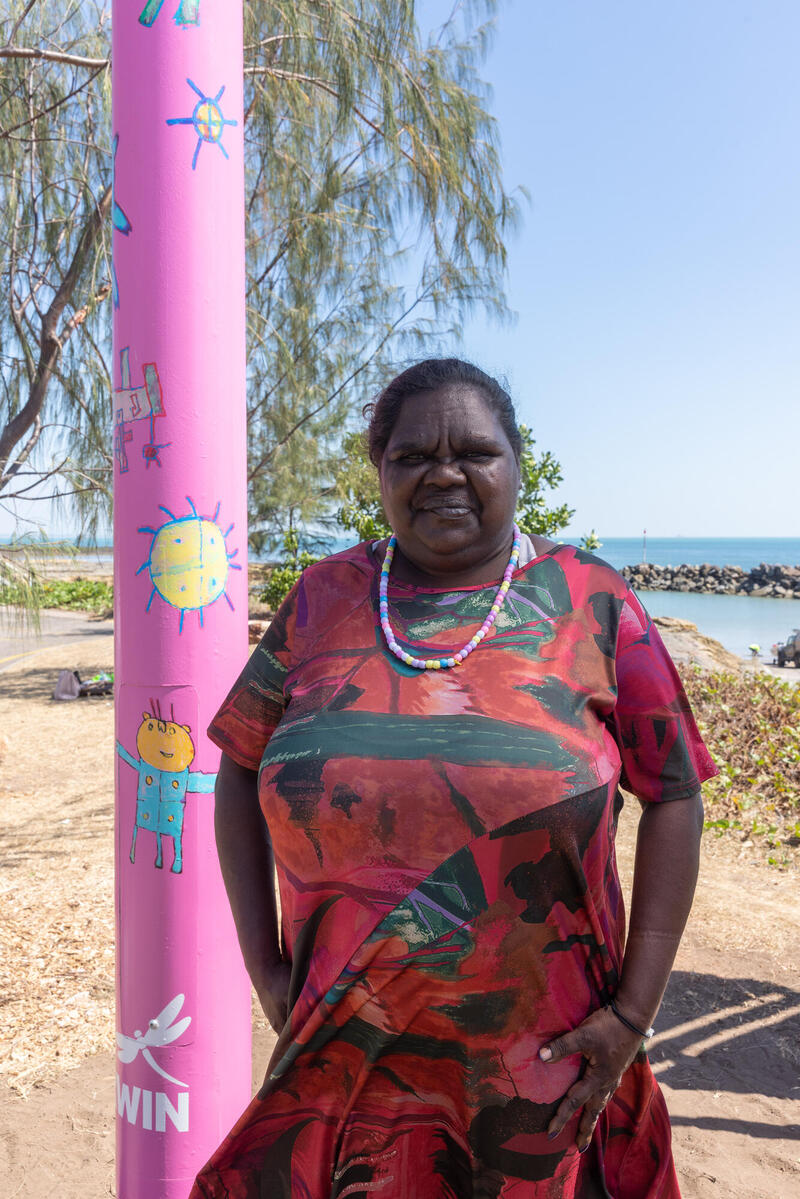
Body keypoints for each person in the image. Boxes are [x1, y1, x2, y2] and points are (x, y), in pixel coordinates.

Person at [191, 358, 716, 1199]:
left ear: (514, 462)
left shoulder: (592, 600)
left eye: (474, 450)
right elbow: (238, 763)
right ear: (381, 473)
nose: (443, 472)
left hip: (546, 1074)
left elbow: (677, 791)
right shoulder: (324, 598)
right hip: (344, 1058)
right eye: (411, 456)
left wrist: (631, 1013)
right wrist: (264, 964)